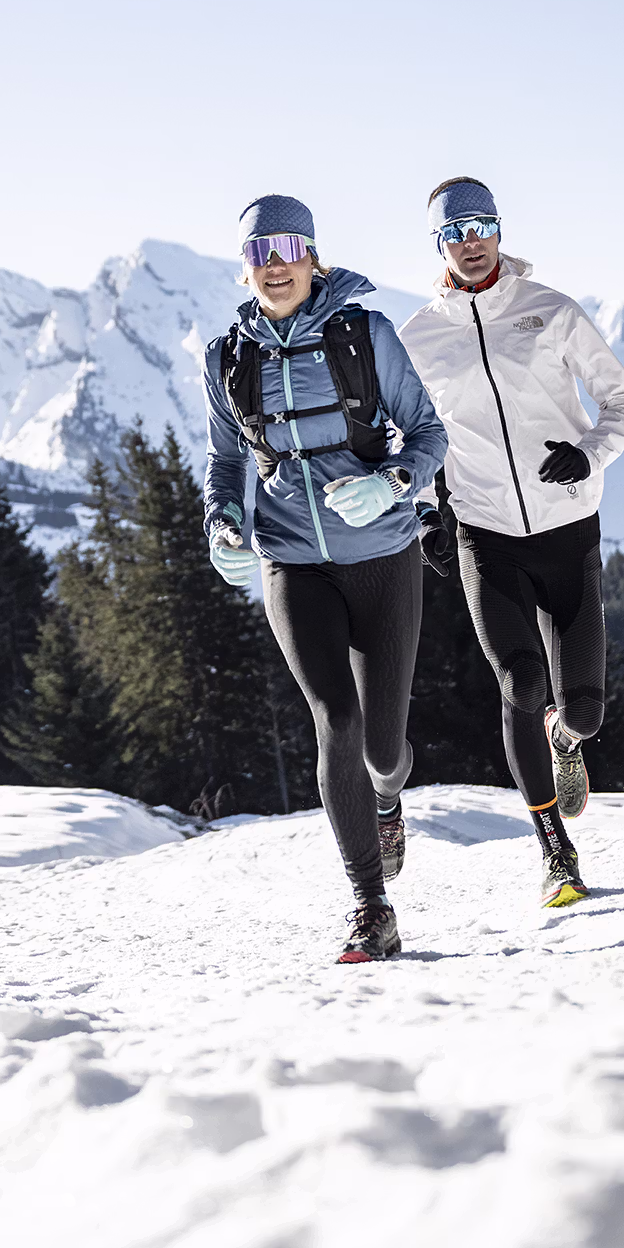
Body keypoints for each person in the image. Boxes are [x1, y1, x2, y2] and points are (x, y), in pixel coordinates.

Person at [202, 195, 448, 964]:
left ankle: (385, 797)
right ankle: (372, 906)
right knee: (333, 719)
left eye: (286, 247)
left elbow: (430, 433)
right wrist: (219, 523)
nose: (274, 264)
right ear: (245, 266)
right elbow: (226, 460)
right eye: (258, 252)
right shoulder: (227, 357)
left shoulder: (365, 334)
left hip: (382, 553)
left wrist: (396, 482)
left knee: (381, 749)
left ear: (313, 255)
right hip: (291, 559)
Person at [399, 176, 624, 909]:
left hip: (568, 529)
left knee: (584, 710)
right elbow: (409, 440)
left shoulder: (552, 312)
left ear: (500, 232)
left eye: (482, 226)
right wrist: (425, 514)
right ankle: (555, 853)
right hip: (486, 536)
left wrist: (590, 452)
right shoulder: (418, 339)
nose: (470, 242)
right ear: (438, 243)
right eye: (455, 231)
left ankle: (563, 741)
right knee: (520, 683)